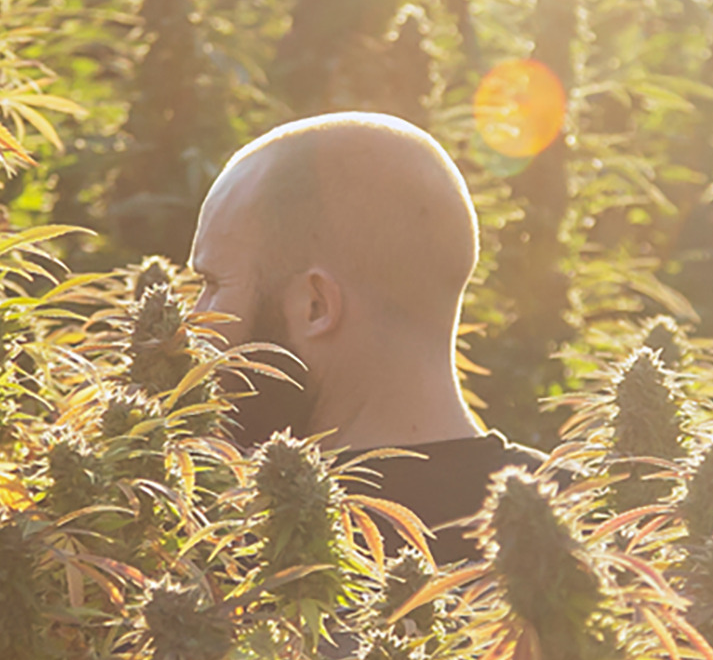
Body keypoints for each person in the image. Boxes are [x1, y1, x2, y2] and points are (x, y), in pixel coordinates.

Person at [182, 111, 538, 555]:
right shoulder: (594, 531)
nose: (189, 324)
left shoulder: (209, 549)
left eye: (213, 286)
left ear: (315, 306)